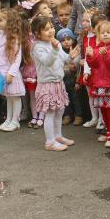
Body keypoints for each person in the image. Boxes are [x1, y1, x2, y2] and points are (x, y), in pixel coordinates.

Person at [31, 16, 79, 151]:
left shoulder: (54, 42)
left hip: (58, 83)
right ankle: (50, 142)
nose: (51, 31)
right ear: (37, 33)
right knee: (51, 113)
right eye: (46, 29)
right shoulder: (37, 47)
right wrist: (55, 49)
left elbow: (64, 58)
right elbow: (47, 61)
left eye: (51, 27)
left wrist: (71, 57)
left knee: (60, 111)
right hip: (47, 84)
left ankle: (58, 136)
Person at [85, 20, 110, 148]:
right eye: (102, 33)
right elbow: (93, 64)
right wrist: (89, 55)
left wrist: (106, 55)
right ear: (98, 35)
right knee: (103, 109)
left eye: (108, 32)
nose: (105, 35)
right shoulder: (97, 48)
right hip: (98, 84)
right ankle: (108, 131)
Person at [57, 28, 82, 127]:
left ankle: (78, 115)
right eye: (63, 40)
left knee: (76, 98)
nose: (66, 42)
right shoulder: (59, 52)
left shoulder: (77, 50)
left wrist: (78, 81)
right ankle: (67, 115)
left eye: (68, 39)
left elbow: (79, 68)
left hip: (74, 79)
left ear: (73, 39)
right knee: (65, 98)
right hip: (63, 80)